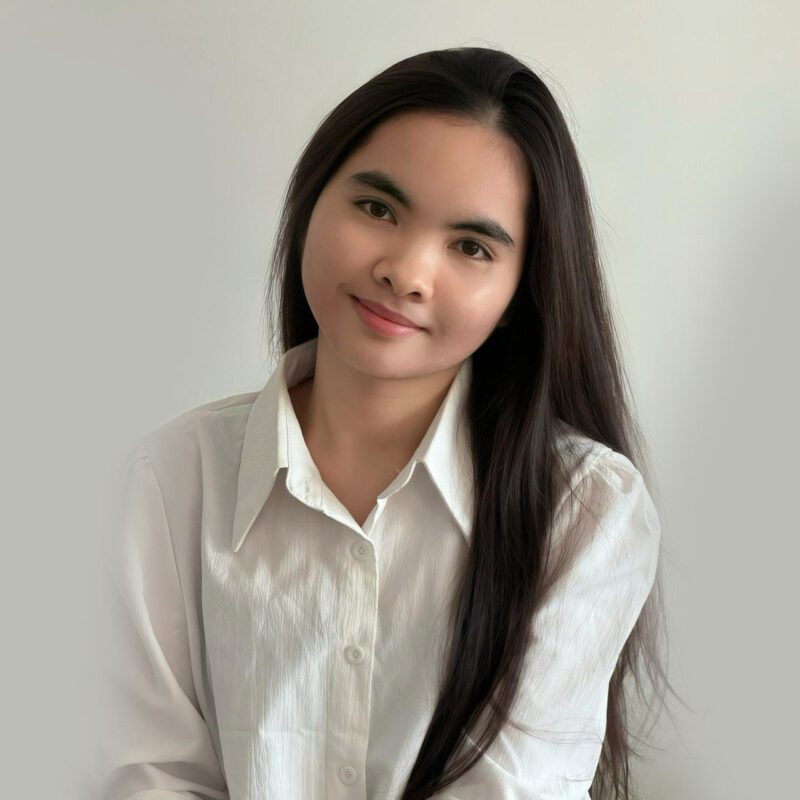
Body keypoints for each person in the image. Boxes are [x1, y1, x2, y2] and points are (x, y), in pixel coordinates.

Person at [94, 46, 675, 800]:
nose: (406, 272)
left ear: (518, 294)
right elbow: (151, 777)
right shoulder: (170, 481)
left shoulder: (584, 510)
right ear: (311, 200)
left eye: (470, 247)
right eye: (377, 209)